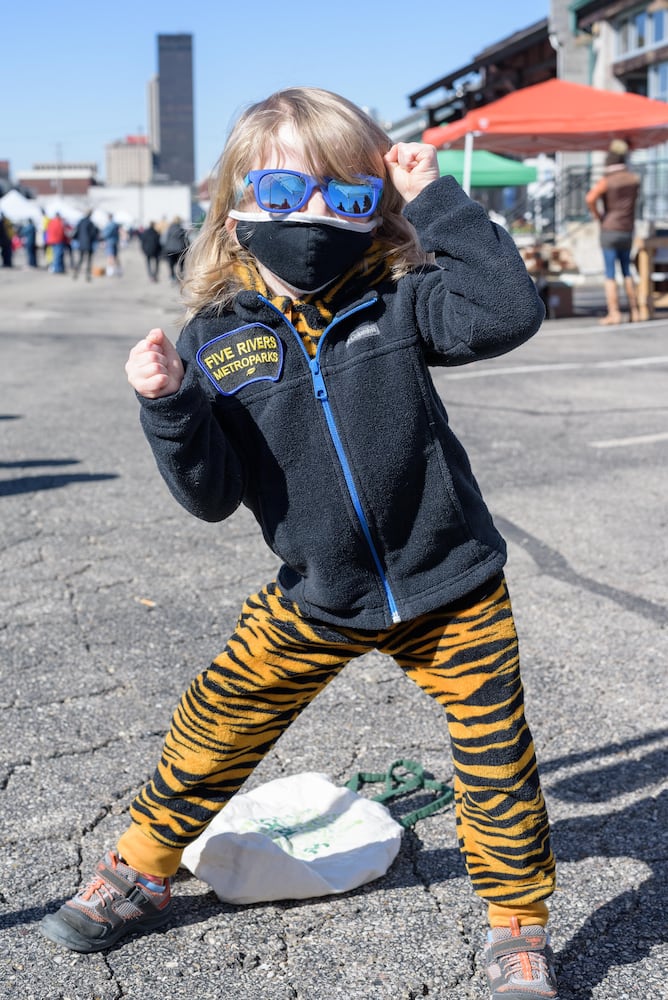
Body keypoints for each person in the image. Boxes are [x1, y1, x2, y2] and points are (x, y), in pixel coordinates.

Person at [40, 87, 557, 1000]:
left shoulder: (401, 306)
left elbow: (506, 309)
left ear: (374, 213)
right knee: (216, 719)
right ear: (238, 205)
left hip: (453, 586)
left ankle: (517, 930)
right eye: (284, 191)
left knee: (496, 760)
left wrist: (435, 197)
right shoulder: (218, 340)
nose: (313, 218)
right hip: (316, 591)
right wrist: (168, 408)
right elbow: (210, 496)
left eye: (346, 198)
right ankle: (140, 866)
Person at [585, 139, 641, 324]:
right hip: (627, 229)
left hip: (609, 229)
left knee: (610, 272)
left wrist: (598, 216)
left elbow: (590, 198)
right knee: (627, 270)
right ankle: (636, 311)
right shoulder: (634, 179)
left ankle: (614, 313)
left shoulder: (607, 181)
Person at [71, 210, 99, 281]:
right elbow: (93, 234)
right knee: (89, 260)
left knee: (80, 259)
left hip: (81, 243)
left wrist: (76, 239)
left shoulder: (80, 222)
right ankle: (87, 275)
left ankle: (76, 273)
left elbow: (76, 233)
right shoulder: (90, 223)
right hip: (89, 244)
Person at [162, 215, 189, 282]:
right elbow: (186, 240)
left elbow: (164, 240)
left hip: (170, 249)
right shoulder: (181, 229)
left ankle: (172, 277)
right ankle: (180, 277)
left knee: (171, 264)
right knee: (181, 264)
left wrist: (165, 247)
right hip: (180, 249)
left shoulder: (169, 229)